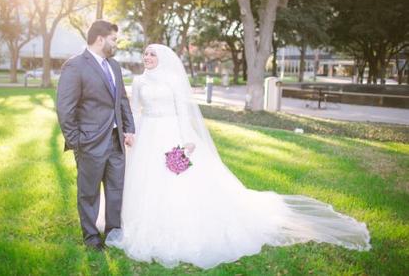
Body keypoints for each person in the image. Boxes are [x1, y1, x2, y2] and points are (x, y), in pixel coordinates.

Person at [105, 44, 371, 269]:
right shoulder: (138, 81)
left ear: (162, 59)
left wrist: (186, 139)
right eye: (145, 54)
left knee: (176, 177)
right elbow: (134, 109)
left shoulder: (173, 81)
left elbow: (183, 112)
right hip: (148, 133)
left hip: (172, 132)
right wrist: (131, 132)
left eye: (152, 55)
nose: (147, 58)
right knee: (145, 179)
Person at [56, 20, 135, 251]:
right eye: (113, 39)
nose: (116, 44)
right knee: (89, 193)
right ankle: (91, 238)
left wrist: (129, 129)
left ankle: (113, 233)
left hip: (116, 140)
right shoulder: (76, 66)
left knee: (115, 189)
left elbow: (122, 100)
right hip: (89, 143)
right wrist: (77, 142)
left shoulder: (115, 66)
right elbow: (65, 108)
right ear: (100, 39)